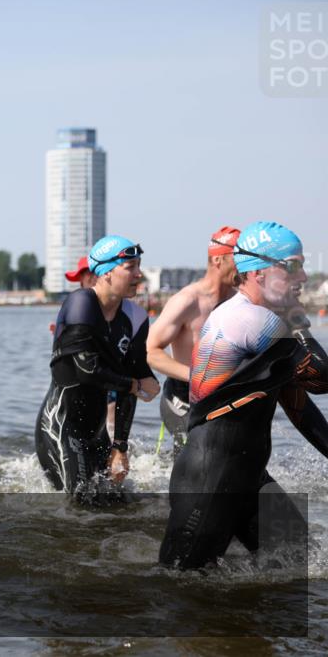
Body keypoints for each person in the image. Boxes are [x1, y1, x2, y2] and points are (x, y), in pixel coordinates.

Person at [159, 222, 328, 569]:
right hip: (211, 478)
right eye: (293, 266)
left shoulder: (263, 320)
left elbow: (297, 405)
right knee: (179, 591)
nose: (303, 276)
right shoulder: (247, 320)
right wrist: (297, 318)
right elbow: (321, 376)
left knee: (297, 561)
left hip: (245, 474)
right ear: (261, 273)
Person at [35, 236, 160, 501]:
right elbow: (87, 370)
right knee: (81, 504)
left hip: (98, 431)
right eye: (130, 267)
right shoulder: (81, 302)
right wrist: (136, 385)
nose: (139, 274)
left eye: (139, 265)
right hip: (60, 426)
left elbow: (134, 380)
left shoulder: (137, 318)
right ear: (105, 273)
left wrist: (120, 448)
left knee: (117, 504)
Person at [146, 226, 240, 453]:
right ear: (219, 260)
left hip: (221, 398)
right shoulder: (188, 300)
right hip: (182, 397)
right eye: (239, 259)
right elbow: (151, 352)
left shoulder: (240, 302)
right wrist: (195, 377)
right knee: (201, 456)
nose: (246, 266)